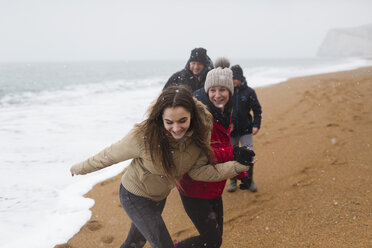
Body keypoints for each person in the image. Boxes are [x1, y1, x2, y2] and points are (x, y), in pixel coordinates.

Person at [70, 85, 254, 248]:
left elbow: (200, 171)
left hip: (159, 197)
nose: (176, 128)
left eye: (182, 120)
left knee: (135, 244)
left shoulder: (199, 134)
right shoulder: (144, 137)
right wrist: (78, 168)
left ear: (192, 116)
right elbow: (108, 156)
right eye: (169, 122)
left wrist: (238, 166)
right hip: (134, 195)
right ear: (160, 119)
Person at [175, 58, 255, 248]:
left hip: (214, 186)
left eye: (222, 90)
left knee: (215, 240)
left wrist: (241, 172)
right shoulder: (199, 116)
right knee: (212, 241)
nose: (217, 95)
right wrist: (235, 153)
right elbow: (203, 155)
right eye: (213, 90)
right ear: (206, 90)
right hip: (194, 187)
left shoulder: (225, 111)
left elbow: (225, 144)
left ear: (230, 91)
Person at [228, 64, 262, 193]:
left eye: (236, 78)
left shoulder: (249, 92)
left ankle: (249, 180)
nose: (234, 80)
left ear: (241, 78)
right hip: (230, 132)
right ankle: (232, 181)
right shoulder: (226, 91)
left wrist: (256, 125)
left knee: (248, 155)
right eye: (231, 78)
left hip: (246, 129)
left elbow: (257, 110)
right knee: (231, 156)